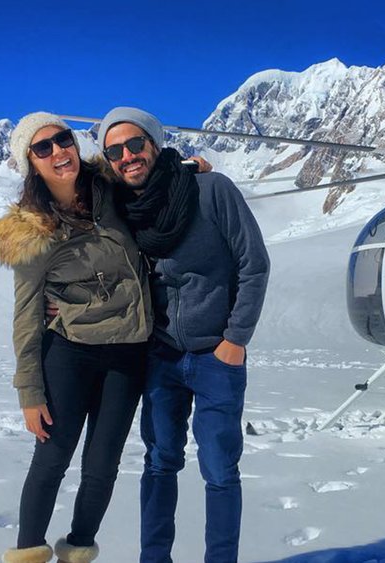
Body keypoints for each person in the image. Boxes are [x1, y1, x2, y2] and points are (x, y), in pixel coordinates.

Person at [97, 107, 270, 563]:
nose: (127, 156)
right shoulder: (124, 208)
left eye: (136, 144)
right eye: (114, 151)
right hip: (162, 355)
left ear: (154, 143)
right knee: (159, 462)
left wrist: (236, 339)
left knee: (218, 468)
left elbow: (254, 264)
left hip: (218, 354)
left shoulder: (211, 190)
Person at [0, 112, 153, 563]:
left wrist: (191, 169)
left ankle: (79, 550)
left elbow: (153, 178)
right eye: (44, 148)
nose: (58, 151)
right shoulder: (32, 231)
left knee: (103, 465)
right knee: (53, 457)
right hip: (69, 354)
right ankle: (29, 553)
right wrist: (29, 391)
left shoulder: (110, 188)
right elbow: (26, 313)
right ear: (31, 164)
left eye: (62, 139)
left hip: (128, 352)